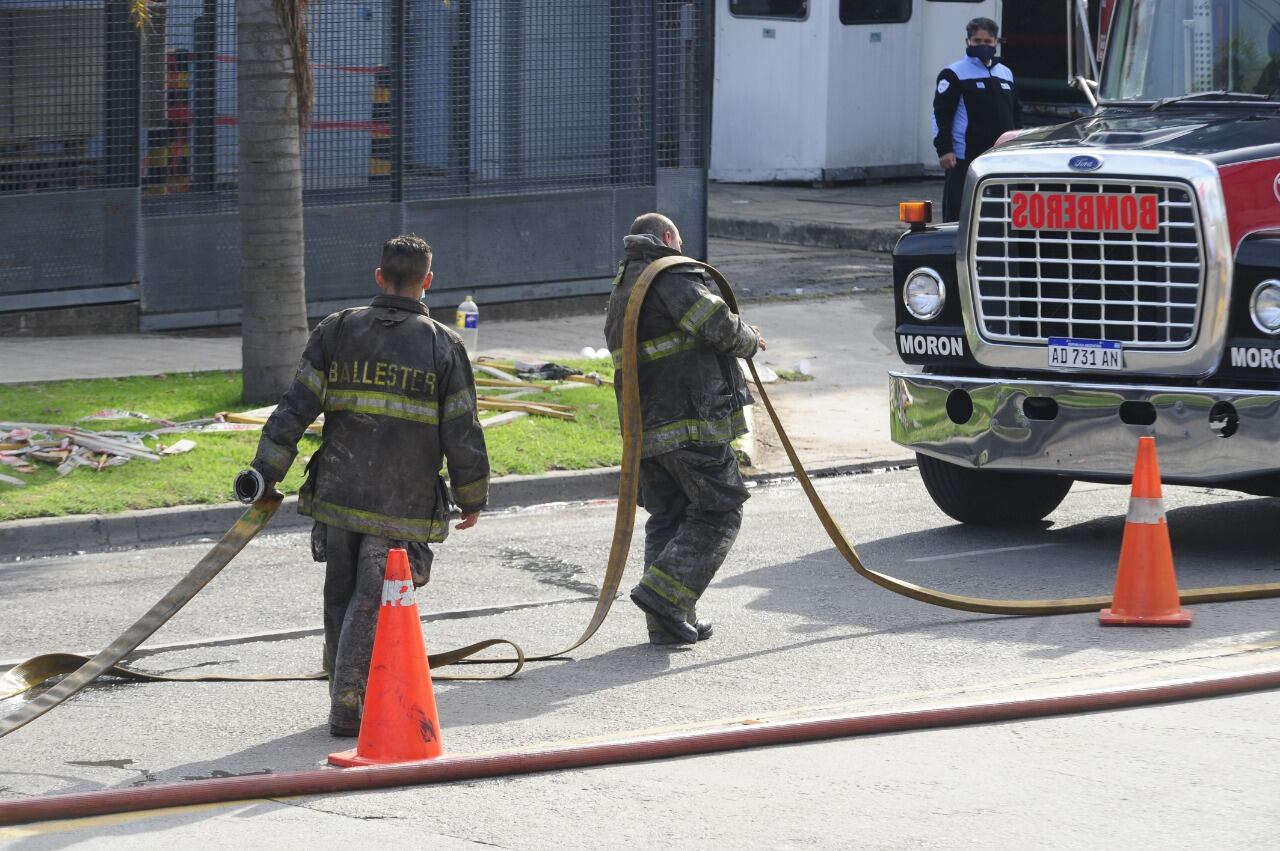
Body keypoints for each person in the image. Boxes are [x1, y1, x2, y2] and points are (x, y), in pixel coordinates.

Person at [234, 234, 489, 736]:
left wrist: (264, 473)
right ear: (428, 283)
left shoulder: (338, 329)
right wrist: (472, 496)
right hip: (402, 503)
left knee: (341, 594)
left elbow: (295, 408)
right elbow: (462, 428)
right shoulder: (444, 344)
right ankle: (349, 704)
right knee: (370, 600)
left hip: (339, 494)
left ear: (379, 277)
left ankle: (342, 688)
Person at [603, 213, 766, 646]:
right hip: (691, 422)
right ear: (669, 238)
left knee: (670, 515)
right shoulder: (668, 273)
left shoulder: (624, 288)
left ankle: (667, 621)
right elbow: (714, 322)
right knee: (720, 510)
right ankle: (664, 598)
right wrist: (749, 338)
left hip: (647, 432)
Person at [932, 16, 1022, 222]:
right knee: (961, 215)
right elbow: (940, 114)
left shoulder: (1005, 73)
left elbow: (1016, 113)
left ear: (996, 42)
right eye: (977, 41)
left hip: (1000, 158)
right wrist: (944, 149)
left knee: (1000, 214)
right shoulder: (953, 74)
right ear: (968, 42)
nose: (983, 46)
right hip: (966, 159)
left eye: (988, 42)